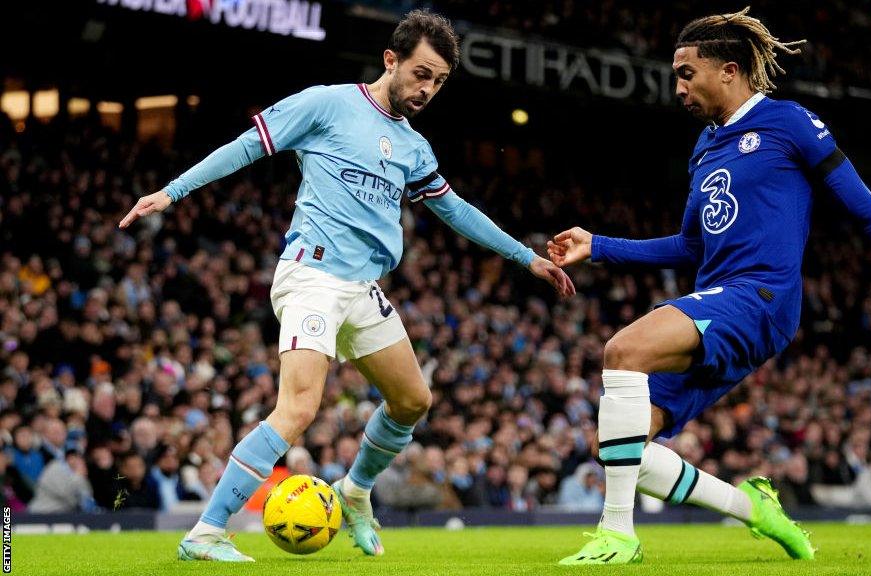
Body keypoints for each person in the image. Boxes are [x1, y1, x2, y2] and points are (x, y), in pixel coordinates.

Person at [118, 9, 574, 563]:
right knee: (298, 409)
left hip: (362, 287)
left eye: (439, 81)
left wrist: (526, 258)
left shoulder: (414, 147)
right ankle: (206, 533)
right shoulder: (327, 103)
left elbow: (455, 210)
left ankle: (354, 491)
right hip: (312, 274)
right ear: (391, 59)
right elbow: (246, 146)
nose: (427, 89)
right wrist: (172, 192)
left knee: (411, 400)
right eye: (421, 73)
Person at [547, 6, 871, 565]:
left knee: (622, 351)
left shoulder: (789, 122)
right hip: (720, 300)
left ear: (728, 70)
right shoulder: (704, 148)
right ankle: (757, 511)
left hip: (762, 296)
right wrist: (599, 245)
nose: (676, 85)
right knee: (623, 448)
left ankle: (618, 534)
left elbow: (869, 212)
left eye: (685, 72)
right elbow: (690, 248)